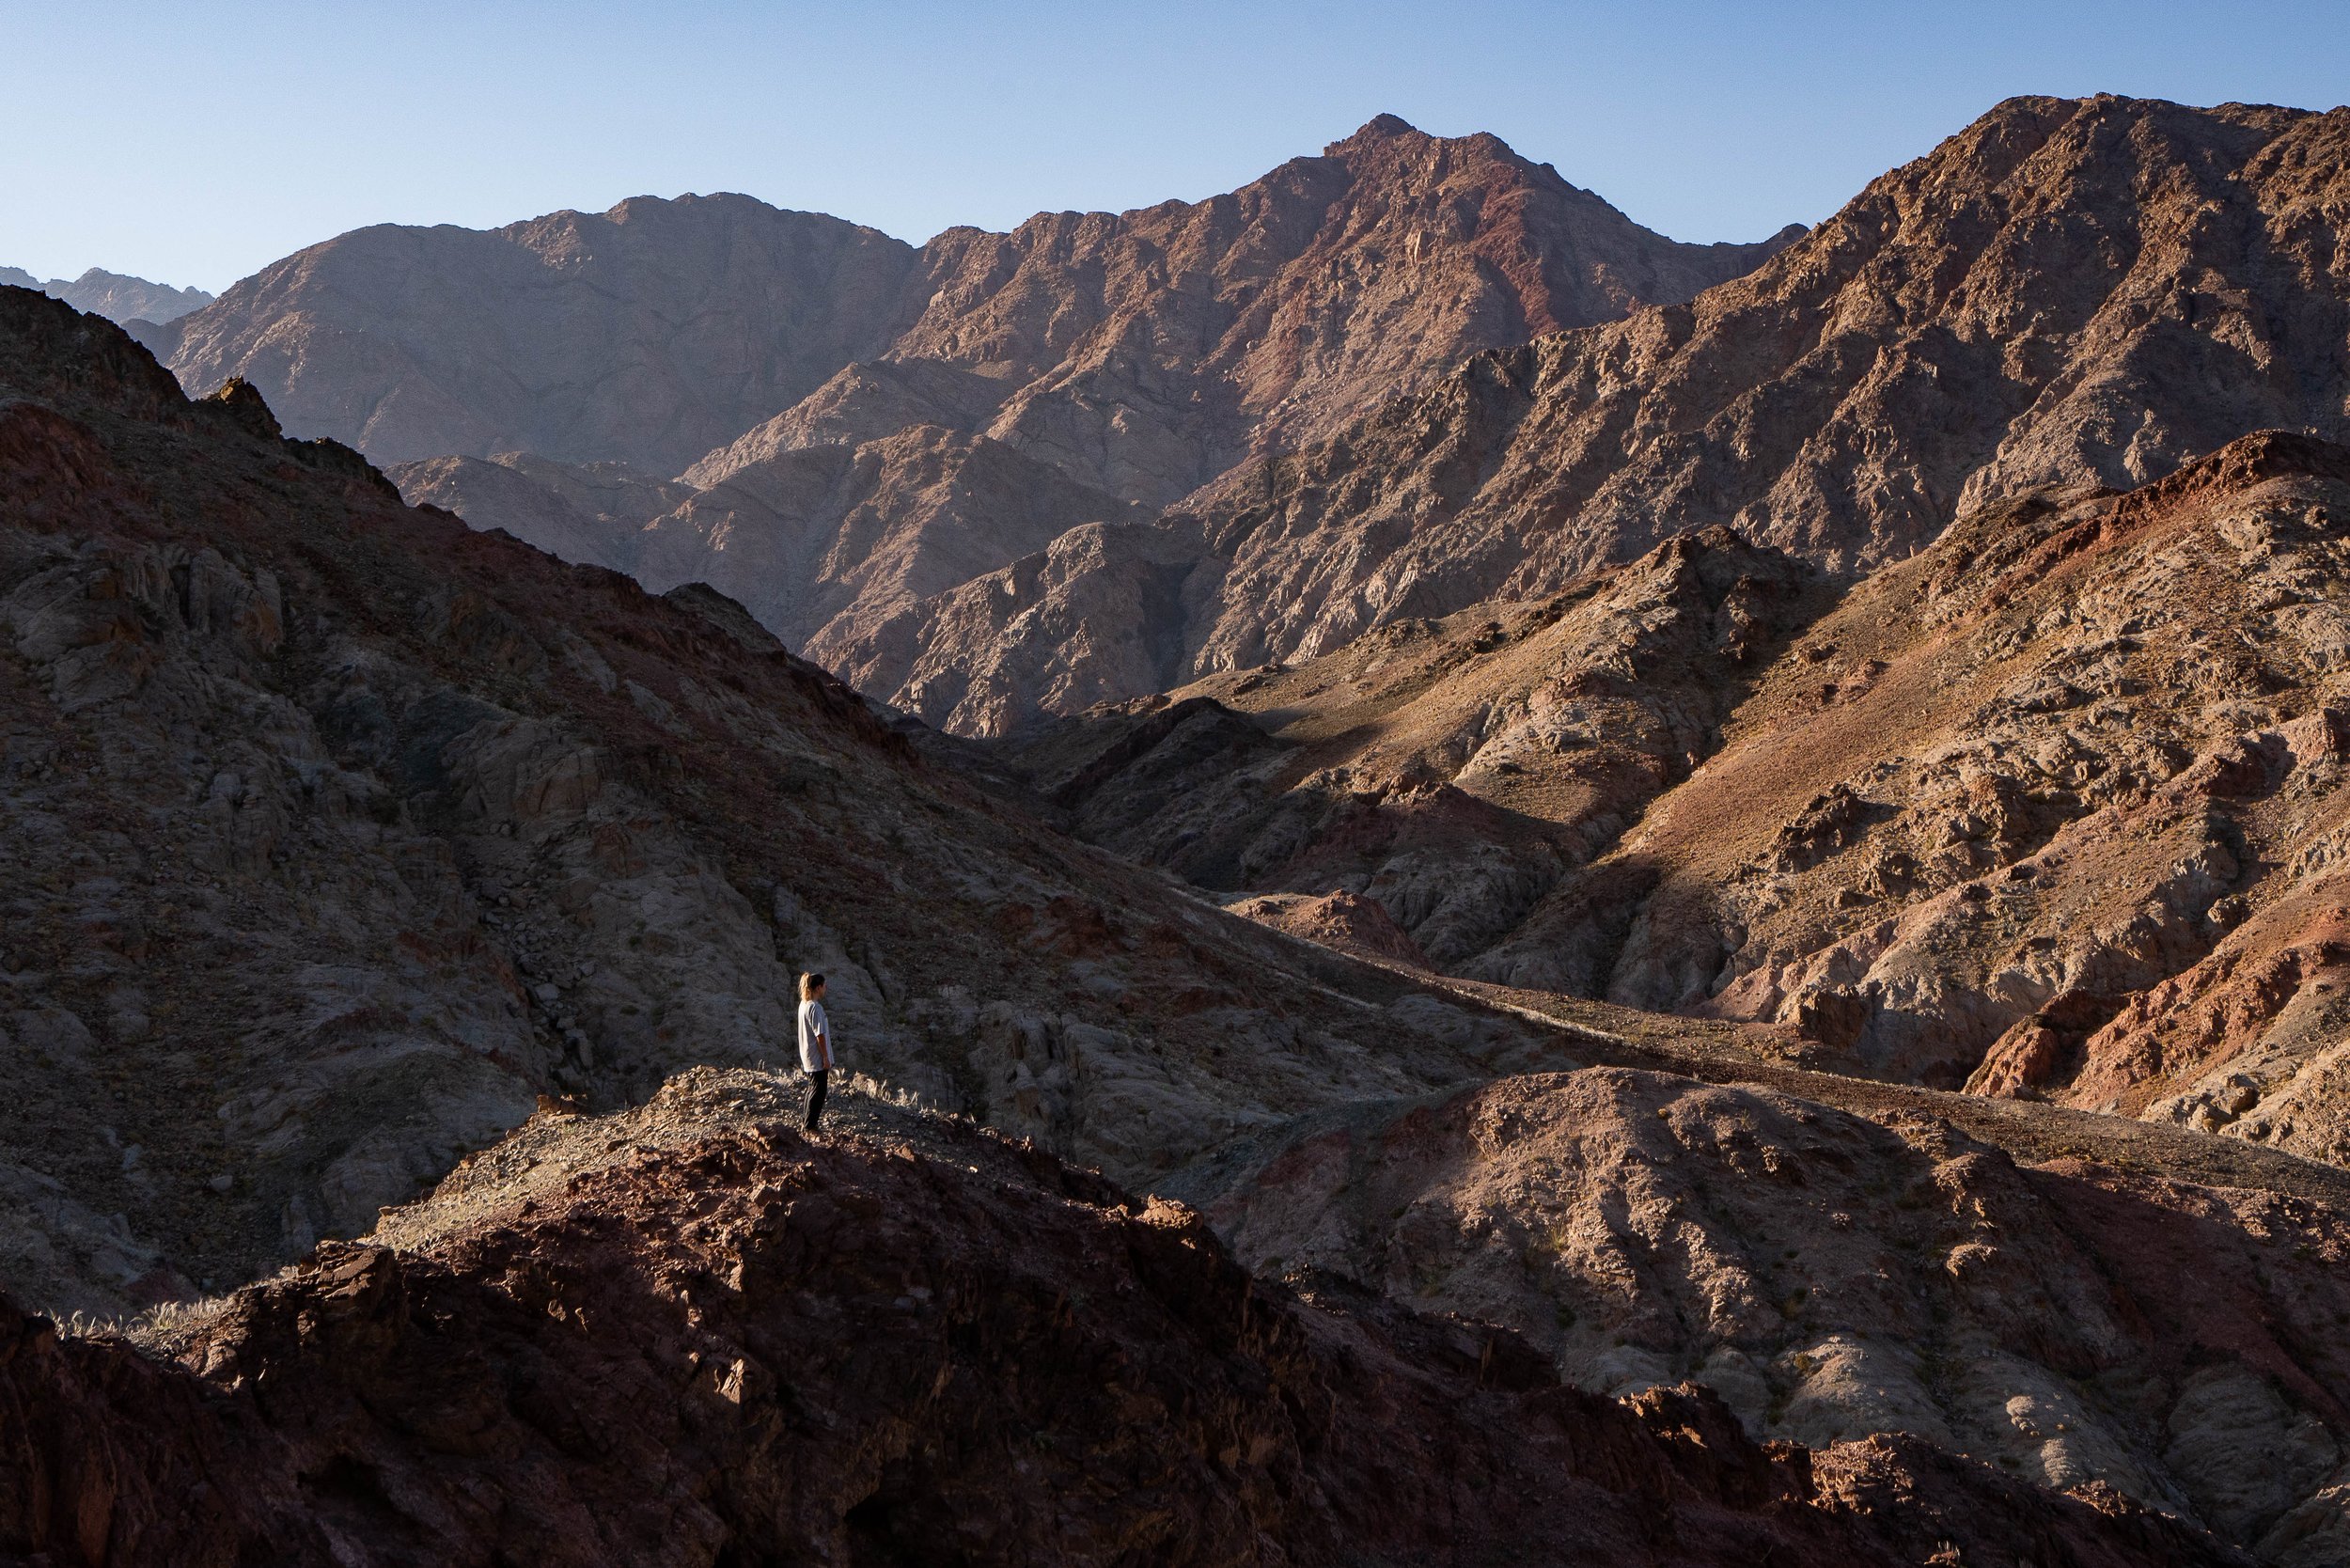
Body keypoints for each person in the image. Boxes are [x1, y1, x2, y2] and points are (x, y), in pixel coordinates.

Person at [797, 972, 833, 1131]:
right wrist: (825, 1057)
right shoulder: (814, 1007)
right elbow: (820, 1035)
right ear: (818, 988)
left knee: (812, 1088)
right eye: (824, 986)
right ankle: (810, 1126)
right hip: (816, 1056)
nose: (826, 988)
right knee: (819, 1090)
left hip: (807, 1054)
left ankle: (806, 1122)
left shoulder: (804, 1004)